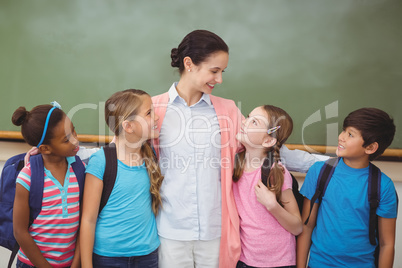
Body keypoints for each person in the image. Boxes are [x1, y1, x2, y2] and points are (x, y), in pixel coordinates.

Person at [151, 29, 326, 268]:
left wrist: (331, 163)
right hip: (169, 230)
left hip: (217, 231)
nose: (219, 79)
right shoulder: (153, 109)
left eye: (222, 71)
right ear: (189, 64)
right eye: (214, 71)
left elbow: (267, 147)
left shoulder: (228, 110)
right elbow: (120, 151)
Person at [297, 108, 398, 268]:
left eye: (350, 134)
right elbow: (307, 226)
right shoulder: (319, 171)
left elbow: (387, 244)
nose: (341, 137)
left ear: (370, 148)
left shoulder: (383, 186)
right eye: (344, 131)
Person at [80, 89, 163, 268]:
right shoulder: (101, 161)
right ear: (129, 126)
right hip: (108, 258)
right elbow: (88, 219)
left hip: (147, 256)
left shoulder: (152, 155)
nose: (157, 117)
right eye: (149, 113)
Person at [12, 102, 82, 268]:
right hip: (33, 264)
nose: (75, 139)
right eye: (66, 139)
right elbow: (19, 232)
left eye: (73, 129)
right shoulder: (28, 177)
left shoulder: (79, 169)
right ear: (45, 148)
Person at [232, 105, 302, 268]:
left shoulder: (275, 172)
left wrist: (272, 205)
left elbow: (297, 227)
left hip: (279, 262)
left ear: (268, 140)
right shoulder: (234, 166)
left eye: (254, 122)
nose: (245, 122)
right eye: (248, 117)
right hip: (245, 259)